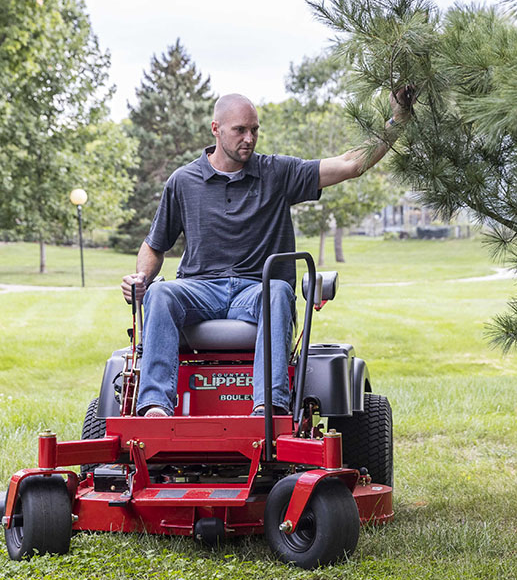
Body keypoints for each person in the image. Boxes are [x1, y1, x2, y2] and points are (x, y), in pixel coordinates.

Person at [121, 89, 412, 417]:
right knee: (160, 293)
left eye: (254, 130)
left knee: (277, 291)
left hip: (257, 289)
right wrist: (141, 278)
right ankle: (155, 408)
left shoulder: (278, 174)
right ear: (216, 129)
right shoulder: (183, 182)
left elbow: (350, 164)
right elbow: (154, 245)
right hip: (200, 289)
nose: (249, 138)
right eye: (240, 130)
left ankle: (269, 407)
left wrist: (397, 120)